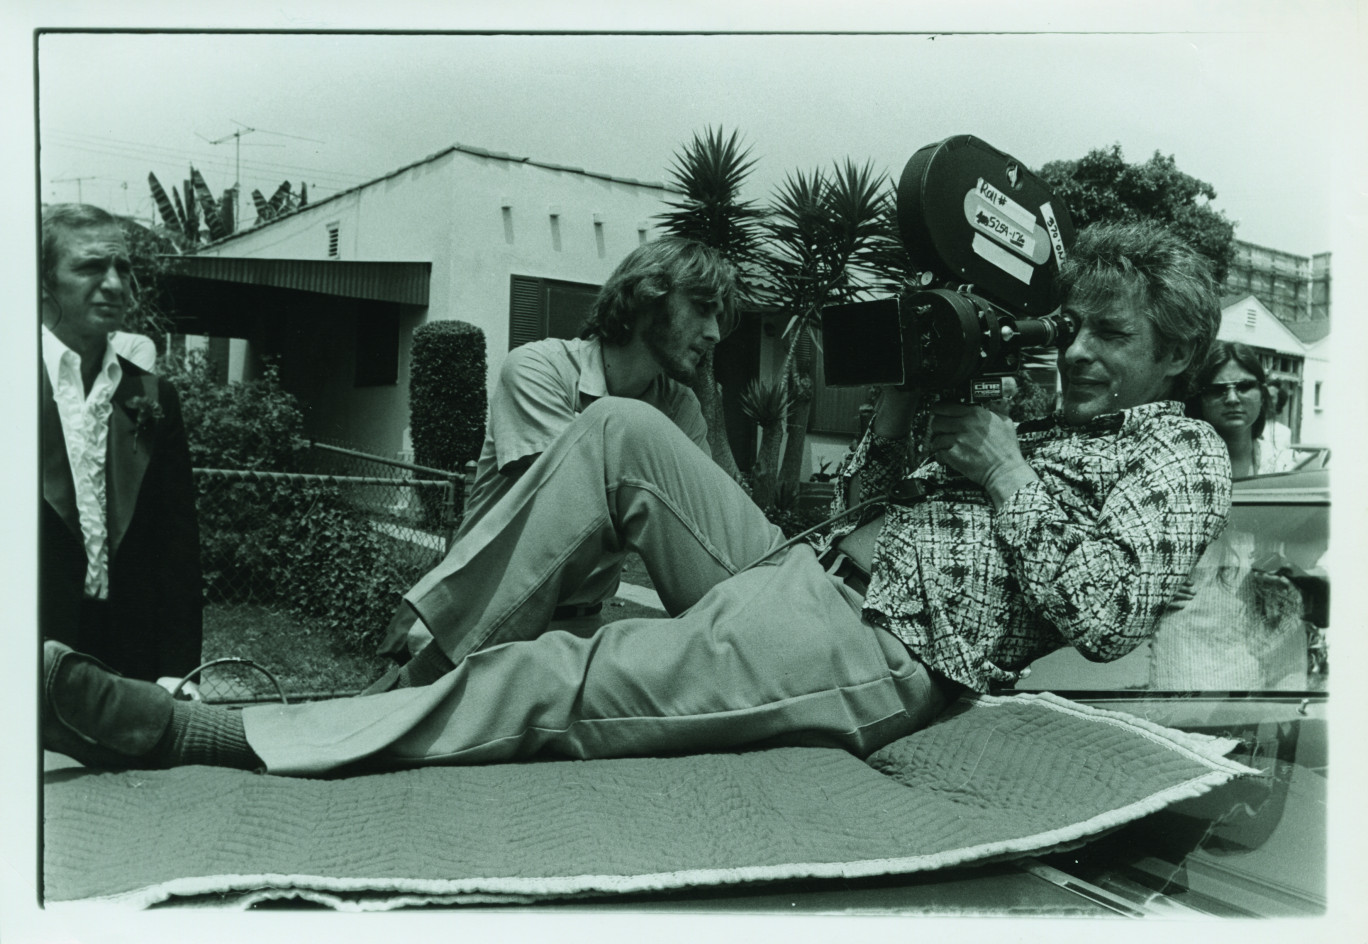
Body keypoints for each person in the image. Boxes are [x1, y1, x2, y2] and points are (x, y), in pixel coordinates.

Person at [41, 218, 1231, 776]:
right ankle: (412, 655)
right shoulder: (1029, 413)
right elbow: (867, 497)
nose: (1072, 347)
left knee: (566, 678)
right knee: (616, 427)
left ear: (1177, 352)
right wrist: (909, 439)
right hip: (807, 564)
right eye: (1070, 322)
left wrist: (1006, 470)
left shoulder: (1185, 457)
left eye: (1106, 333)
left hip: (884, 642)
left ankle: (206, 733)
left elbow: (1112, 611)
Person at [375, 237, 736, 661]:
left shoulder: (681, 406)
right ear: (646, 297)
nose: (714, 333)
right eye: (700, 306)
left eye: (719, 315)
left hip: (577, 632)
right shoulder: (537, 369)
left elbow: (707, 523)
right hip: (478, 620)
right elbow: (574, 503)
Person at [39, 203, 203, 696]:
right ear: (42, 279)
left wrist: (177, 669)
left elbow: (177, 544)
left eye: (123, 269)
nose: (114, 283)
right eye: (91, 266)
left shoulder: (152, 396)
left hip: (131, 662)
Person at [1184, 341, 1296, 478]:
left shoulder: (1285, 466)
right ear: (1200, 399)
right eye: (1217, 389)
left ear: (1262, 395)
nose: (1232, 399)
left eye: (1244, 386)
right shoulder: (1180, 467)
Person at [1258, 379, 1297, 474]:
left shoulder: (1284, 432)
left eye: (1271, 398)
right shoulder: (1250, 427)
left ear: (1279, 402)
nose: (1265, 401)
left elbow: (1283, 463)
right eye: (1263, 397)